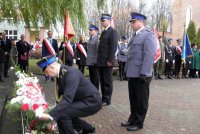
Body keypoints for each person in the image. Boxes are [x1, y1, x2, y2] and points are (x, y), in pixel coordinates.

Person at [36, 55, 102, 134]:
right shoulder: (61, 73)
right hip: (83, 100)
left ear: (52, 68)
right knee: (63, 112)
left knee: (62, 113)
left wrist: (51, 115)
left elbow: (67, 99)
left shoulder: (70, 74)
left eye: (46, 72)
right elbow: (60, 96)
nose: (46, 75)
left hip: (92, 101)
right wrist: (55, 111)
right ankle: (87, 129)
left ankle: (86, 129)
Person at [122, 12, 156, 131]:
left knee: (141, 100)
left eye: (134, 21)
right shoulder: (135, 36)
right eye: (131, 22)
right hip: (132, 73)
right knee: (133, 98)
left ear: (141, 22)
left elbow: (149, 55)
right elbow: (130, 55)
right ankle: (132, 119)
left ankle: (139, 122)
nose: (131, 24)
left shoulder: (148, 35)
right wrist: (126, 70)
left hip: (142, 74)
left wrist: (145, 73)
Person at [97, 14, 118, 106]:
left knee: (107, 81)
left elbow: (113, 47)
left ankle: (107, 99)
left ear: (109, 21)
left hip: (107, 62)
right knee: (102, 80)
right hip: (101, 61)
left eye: (103, 20)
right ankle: (103, 97)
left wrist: (110, 60)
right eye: (101, 20)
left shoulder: (112, 32)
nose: (102, 22)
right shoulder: (104, 32)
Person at [86, 24, 100, 89]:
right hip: (90, 62)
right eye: (89, 30)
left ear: (96, 31)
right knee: (92, 79)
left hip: (94, 63)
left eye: (91, 30)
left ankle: (95, 94)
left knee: (95, 80)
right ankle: (92, 93)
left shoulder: (97, 39)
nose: (89, 31)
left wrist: (96, 61)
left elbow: (98, 51)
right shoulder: (91, 39)